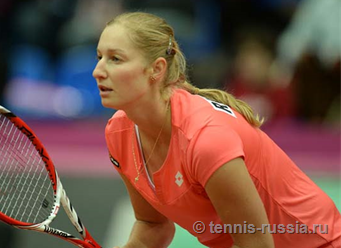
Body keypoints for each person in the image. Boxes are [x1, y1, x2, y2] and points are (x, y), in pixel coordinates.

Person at [92, 12, 340, 248]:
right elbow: (153, 225)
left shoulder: (205, 140)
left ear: (156, 69)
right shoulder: (119, 134)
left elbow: (254, 244)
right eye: (99, 57)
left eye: (115, 59)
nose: (98, 71)